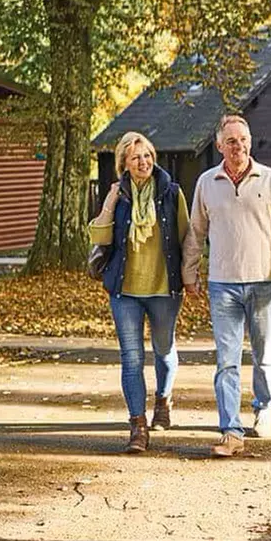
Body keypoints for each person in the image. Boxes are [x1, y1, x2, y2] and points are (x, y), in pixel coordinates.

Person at [182, 114, 271, 458]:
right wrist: (189, 273)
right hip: (223, 285)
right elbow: (195, 232)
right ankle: (231, 430)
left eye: (243, 140)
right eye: (231, 141)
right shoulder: (207, 182)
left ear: (250, 142)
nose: (238, 146)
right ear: (219, 145)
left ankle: (263, 408)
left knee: (263, 353)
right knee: (227, 360)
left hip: (265, 283)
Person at [90, 132, 190, 453]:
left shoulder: (172, 193)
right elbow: (99, 237)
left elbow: (187, 237)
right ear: (125, 164)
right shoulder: (118, 195)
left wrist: (190, 276)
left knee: (163, 349)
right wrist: (109, 201)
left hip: (163, 288)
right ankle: (138, 426)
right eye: (135, 158)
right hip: (125, 291)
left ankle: (163, 399)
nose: (143, 162)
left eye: (146, 155)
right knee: (131, 358)